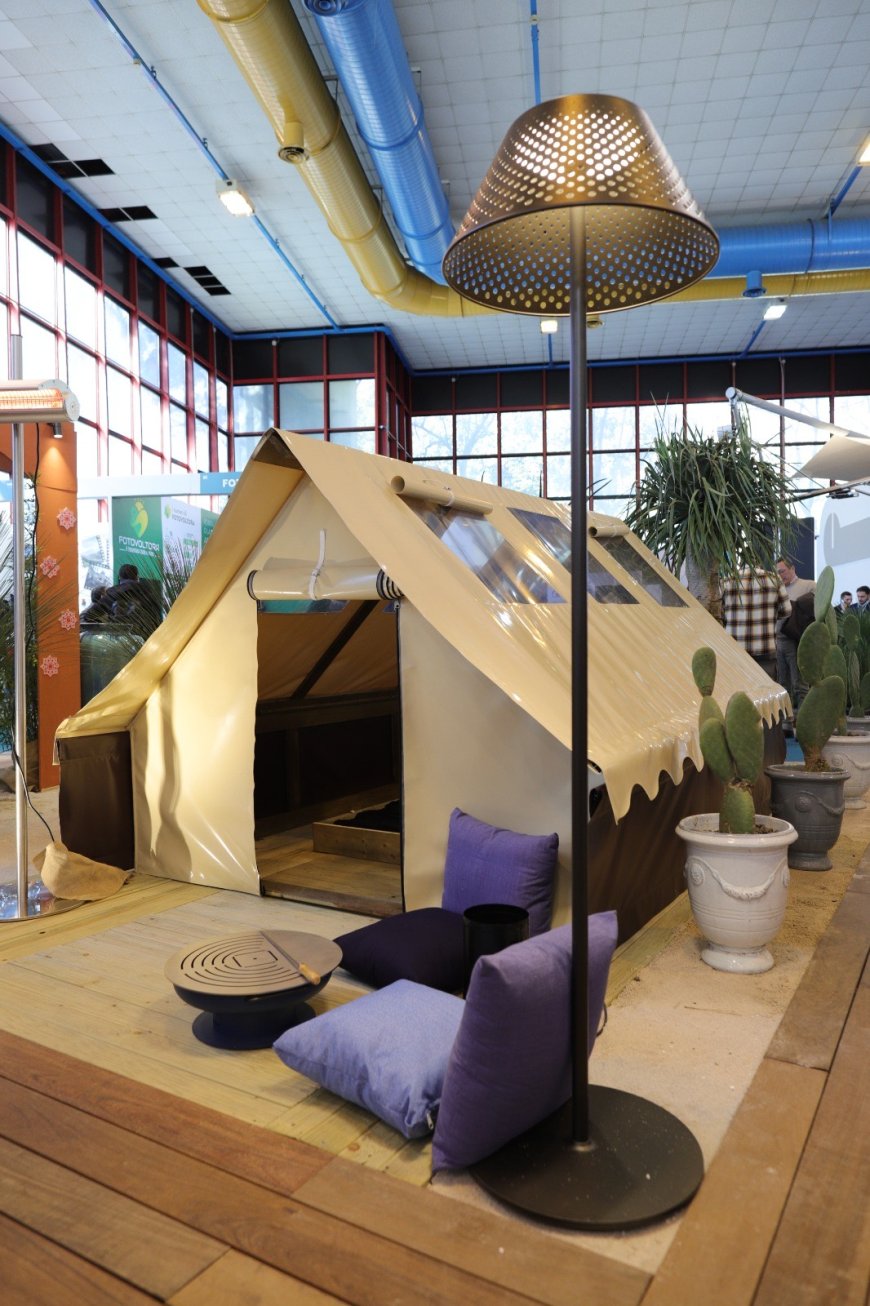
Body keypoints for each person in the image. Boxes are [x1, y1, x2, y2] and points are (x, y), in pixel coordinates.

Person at [721, 566, 791, 679]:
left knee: (737, 687)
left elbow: (719, 613)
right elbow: (787, 610)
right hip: (765, 650)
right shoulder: (774, 578)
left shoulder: (727, 580)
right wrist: (769, 616)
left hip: (735, 649)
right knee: (766, 688)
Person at [775, 558, 815, 710]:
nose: (780, 575)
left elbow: (818, 612)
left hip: (797, 642)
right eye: (777, 573)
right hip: (777, 642)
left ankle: (805, 718)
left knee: (799, 684)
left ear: (792, 568)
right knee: (781, 685)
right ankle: (785, 719)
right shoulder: (776, 590)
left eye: (782, 571)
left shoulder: (809, 586)